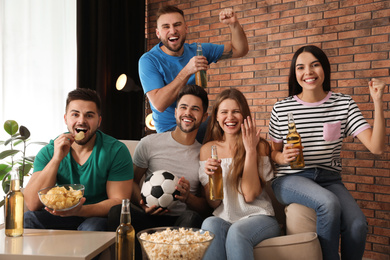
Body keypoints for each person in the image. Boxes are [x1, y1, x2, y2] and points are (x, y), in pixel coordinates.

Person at [268, 45, 386, 260]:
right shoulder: (282, 108)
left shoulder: (344, 104)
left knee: (358, 225)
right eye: (300, 67)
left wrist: (378, 102)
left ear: (325, 69)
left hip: (329, 179)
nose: (308, 72)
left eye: (315, 65)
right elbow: (273, 154)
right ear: (295, 74)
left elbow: (376, 147)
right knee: (328, 203)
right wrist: (280, 156)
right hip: (290, 179)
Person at [23, 88, 134, 231]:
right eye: (75, 114)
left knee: (93, 228)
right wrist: (57, 159)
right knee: (28, 219)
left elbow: (119, 202)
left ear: (99, 121)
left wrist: (79, 210)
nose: (81, 121)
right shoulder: (49, 151)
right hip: (58, 215)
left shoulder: (116, 151)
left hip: (95, 216)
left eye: (89, 115)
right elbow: (32, 204)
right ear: (66, 119)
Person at [138, 5, 249, 142]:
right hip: (171, 130)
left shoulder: (198, 50)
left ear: (185, 28)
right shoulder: (149, 60)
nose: (173, 31)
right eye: (166, 26)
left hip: (197, 123)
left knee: (237, 126)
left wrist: (234, 25)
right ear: (158, 33)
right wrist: (187, 71)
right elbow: (159, 104)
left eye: (177, 25)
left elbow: (239, 50)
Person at [130, 84, 212, 259]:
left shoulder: (204, 154)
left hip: (180, 222)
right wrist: (142, 204)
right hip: (149, 218)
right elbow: (132, 180)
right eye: (183, 107)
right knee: (118, 211)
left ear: (204, 117)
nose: (188, 113)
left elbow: (206, 207)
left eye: (195, 109)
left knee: (192, 217)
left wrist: (188, 197)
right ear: (175, 112)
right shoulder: (149, 143)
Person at [199, 89, 280, 260]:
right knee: (209, 224)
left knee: (237, 231)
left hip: (260, 217)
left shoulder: (260, 146)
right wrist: (213, 177)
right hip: (225, 217)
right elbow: (214, 204)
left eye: (236, 111)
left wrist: (250, 150)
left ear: (244, 115)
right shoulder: (208, 150)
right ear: (217, 117)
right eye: (224, 112)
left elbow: (250, 195)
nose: (230, 117)